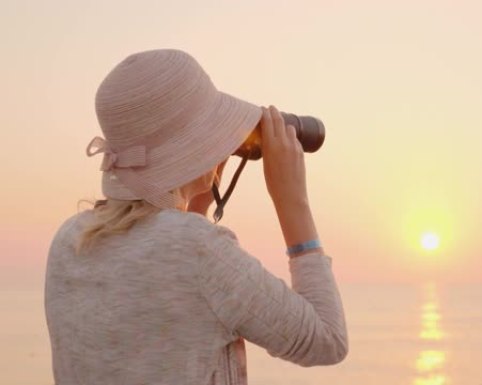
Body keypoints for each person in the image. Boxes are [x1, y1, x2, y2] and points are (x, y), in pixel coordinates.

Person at [44, 49, 348, 385]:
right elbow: (326, 341)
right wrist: (292, 200)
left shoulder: (69, 240)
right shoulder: (197, 249)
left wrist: (196, 190)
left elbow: (166, 324)